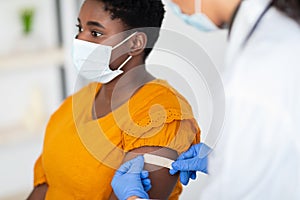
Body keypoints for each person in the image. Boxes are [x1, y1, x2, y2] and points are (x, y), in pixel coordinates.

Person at [111, 0, 300, 199]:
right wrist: (227, 160)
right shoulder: (281, 38)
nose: (173, 6)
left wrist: (133, 197)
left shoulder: (251, 77)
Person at [27, 0, 201, 199]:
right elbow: (45, 186)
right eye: (80, 28)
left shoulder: (160, 115)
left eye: (95, 33)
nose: (79, 39)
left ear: (135, 43)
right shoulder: (74, 103)